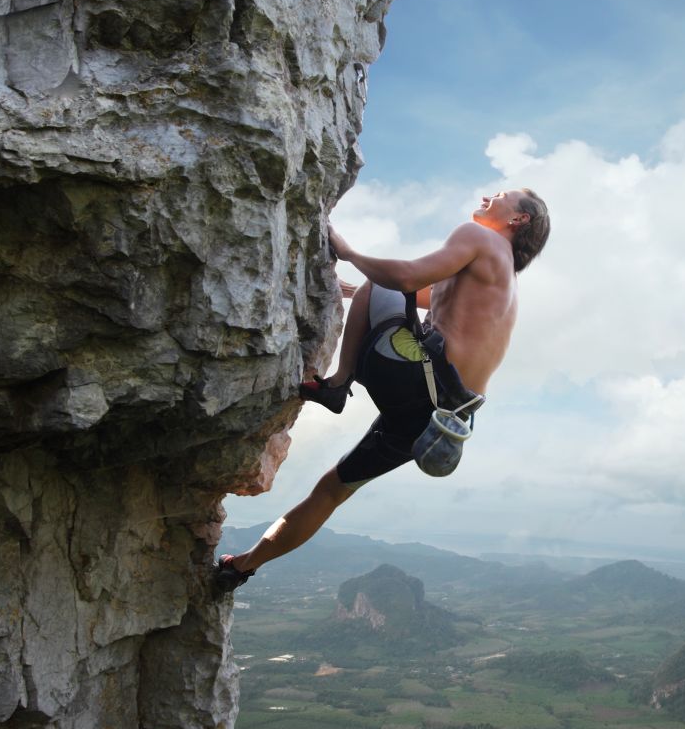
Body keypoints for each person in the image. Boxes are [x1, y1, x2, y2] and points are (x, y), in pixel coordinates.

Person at [213, 188, 550, 593]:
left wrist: (349, 252)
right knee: (333, 489)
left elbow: (403, 279)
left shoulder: (479, 238)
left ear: (519, 219)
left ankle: (337, 385)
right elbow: (421, 294)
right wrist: (350, 291)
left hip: (419, 382)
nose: (487, 196)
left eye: (501, 195)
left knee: (380, 284)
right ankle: (241, 568)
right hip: (439, 421)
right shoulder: (504, 278)